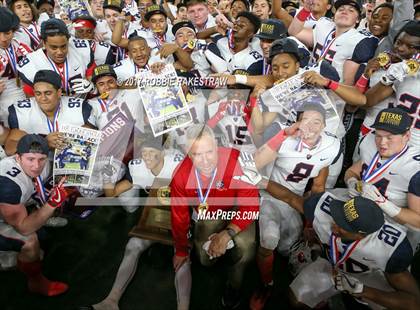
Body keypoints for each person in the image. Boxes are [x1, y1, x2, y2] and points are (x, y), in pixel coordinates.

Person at [249, 103, 340, 309]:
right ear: (297, 122)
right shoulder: (283, 139)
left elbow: (318, 186)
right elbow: (254, 165)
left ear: (324, 125)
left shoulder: (330, 146)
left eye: (317, 121)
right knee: (269, 241)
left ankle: (299, 276)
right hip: (270, 195)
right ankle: (266, 284)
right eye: (305, 120)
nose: (311, 126)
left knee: (294, 246)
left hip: (296, 199)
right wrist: (282, 136)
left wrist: (309, 223)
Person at [171, 124, 259, 309]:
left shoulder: (235, 160)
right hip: (209, 215)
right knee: (204, 259)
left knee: (246, 249)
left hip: (237, 211)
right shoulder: (180, 176)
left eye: (209, 152)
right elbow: (179, 217)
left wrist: (227, 234)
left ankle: (234, 286)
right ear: (188, 154)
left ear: (217, 146)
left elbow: (250, 205)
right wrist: (180, 250)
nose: (205, 161)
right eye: (197, 154)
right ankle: (219, 253)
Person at [0, 134, 69, 296]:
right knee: (30, 242)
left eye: (41, 159)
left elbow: (32, 189)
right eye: (30, 159)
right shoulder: (9, 184)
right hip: (8, 213)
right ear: (17, 157)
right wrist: (51, 204)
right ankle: (36, 283)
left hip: (8, 211)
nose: (36, 166)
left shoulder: (38, 165)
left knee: (43, 238)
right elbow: (24, 228)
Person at [345, 108, 420, 240]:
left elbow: (418, 220)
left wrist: (383, 203)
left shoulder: (415, 168)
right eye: (378, 135)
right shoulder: (368, 141)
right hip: (360, 210)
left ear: (407, 136)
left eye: (389, 137)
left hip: (392, 225)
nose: (382, 142)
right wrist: (352, 182)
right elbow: (352, 171)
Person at [6, 69, 95, 155]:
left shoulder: (80, 108)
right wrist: (42, 143)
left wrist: (73, 140)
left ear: (59, 92)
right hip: (35, 165)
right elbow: (10, 148)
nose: (43, 98)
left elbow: (93, 140)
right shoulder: (21, 111)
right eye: (38, 94)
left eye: (48, 93)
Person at [17, 18, 97, 96]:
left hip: (81, 104)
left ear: (68, 40)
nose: (60, 52)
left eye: (63, 46)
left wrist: (92, 87)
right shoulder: (31, 64)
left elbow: (97, 85)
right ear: (44, 43)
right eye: (54, 47)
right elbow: (32, 101)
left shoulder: (82, 51)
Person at [0, 7, 31, 115]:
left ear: (14, 30)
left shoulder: (22, 47)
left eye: (7, 33)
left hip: (28, 103)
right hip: (4, 109)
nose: (3, 39)